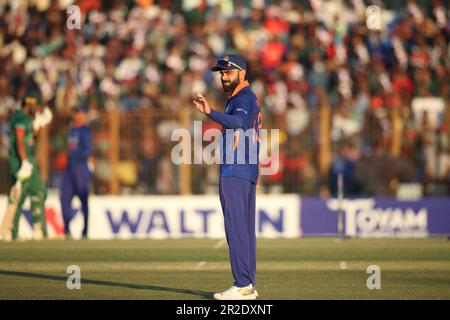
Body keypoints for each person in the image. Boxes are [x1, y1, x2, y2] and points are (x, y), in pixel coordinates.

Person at [193, 54, 262, 300]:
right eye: (221, 73)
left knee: (236, 228)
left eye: (228, 72)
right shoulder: (240, 98)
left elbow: (240, 123)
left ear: (242, 73)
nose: (223, 77)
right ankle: (248, 284)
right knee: (243, 229)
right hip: (246, 170)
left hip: (235, 170)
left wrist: (210, 112)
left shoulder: (243, 97)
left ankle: (242, 283)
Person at [0, 91, 52, 241]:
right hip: (21, 163)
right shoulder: (20, 118)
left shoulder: (27, 119)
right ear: (28, 104)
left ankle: (39, 230)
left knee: (38, 192)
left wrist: (39, 125)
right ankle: (8, 231)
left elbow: (30, 138)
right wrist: (24, 161)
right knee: (18, 197)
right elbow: (20, 141)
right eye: (35, 106)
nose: (36, 109)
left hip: (29, 162)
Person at [60, 107, 93, 239]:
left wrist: (73, 155)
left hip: (80, 167)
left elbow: (88, 150)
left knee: (83, 198)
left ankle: (85, 231)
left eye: (78, 112)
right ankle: (66, 230)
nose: (76, 115)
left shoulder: (85, 131)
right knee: (64, 198)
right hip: (69, 168)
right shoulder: (72, 129)